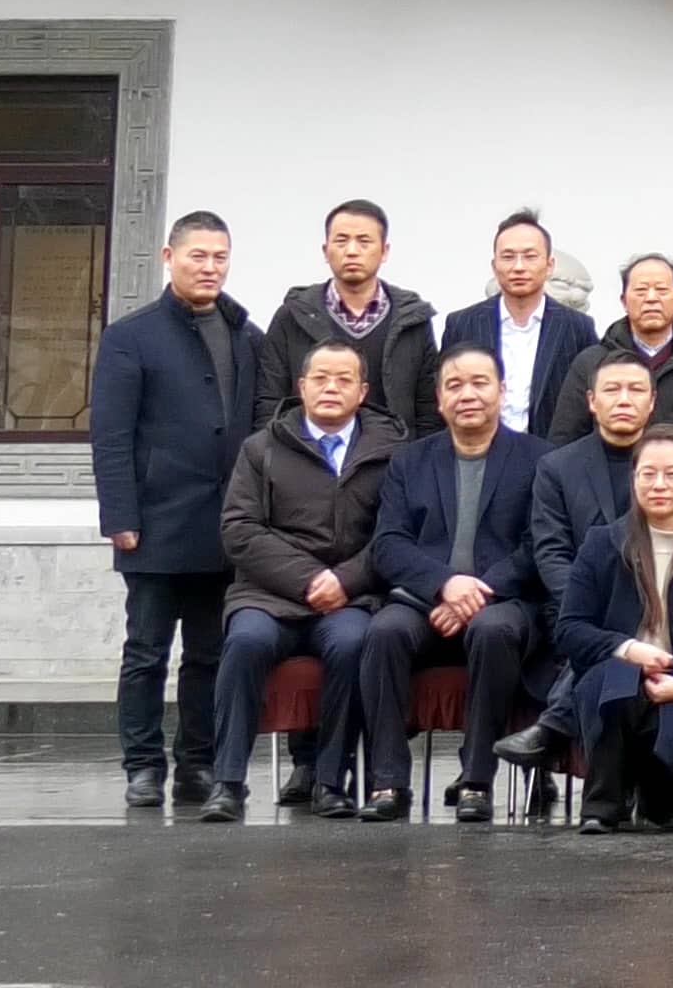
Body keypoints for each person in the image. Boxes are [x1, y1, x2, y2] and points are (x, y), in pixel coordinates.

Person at [92, 208, 262, 811]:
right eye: (198, 256)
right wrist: (121, 516)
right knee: (146, 652)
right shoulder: (131, 337)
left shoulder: (246, 334)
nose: (209, 267)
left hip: (225, 527)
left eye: (220, 257)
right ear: (169, 258)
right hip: (156, 523)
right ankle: (142, 765)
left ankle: (198, 762)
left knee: (210, 654)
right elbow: (111, 436)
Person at [198, 343, 397, 824]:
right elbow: (239, 529)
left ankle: (330, 780)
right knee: (245, 642)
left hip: (350, 597)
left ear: (363, 392)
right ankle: (227, 782)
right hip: (270, 595)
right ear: (301, 387)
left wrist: (345, 579)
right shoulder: (262, 448)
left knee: (352, 645)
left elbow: (396, 535)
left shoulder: (391, 453)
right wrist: (309, 579)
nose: (331, 388)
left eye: (344, 380)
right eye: (321, 378)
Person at [358, 344, 545, 823]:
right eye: (454, 385)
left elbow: (538, 546)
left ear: (502, 391)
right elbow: (388, 544)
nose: (468, 394)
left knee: (492, 630)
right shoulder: (410, 462)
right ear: (439, 399)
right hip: (426, 601)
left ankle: (476, 780)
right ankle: (387, 781)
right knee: (383, 632)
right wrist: (445, 585)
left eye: (480, 383)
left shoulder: (538, 459)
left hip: (503, 602)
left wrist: (476, 593)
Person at [557, 423, 673, 834]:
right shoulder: (602, 543)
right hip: (612, 675)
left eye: (671, 474)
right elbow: (570, 628)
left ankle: (655, 790)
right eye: (648, 474)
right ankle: (601, 808)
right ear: (634, 479)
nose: (659, 484)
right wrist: (628, 649)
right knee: (618, 690)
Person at [497, 352, 654, 780]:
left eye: (636, 390)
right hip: (576, 607)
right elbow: (551, 551)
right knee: (601, 638)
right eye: (612, 390)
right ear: (591, 401)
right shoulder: (557, 467)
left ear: (652, 401)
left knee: (609, 639)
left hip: (660, 605)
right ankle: (609, 782)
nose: (624, 399)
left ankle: (552, 728)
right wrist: (587, 605)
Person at [255, 199, 439, 437]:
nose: (352, 251)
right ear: (325, 251)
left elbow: (428, 409)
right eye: (341, 241)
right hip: (307, 455)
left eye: (364, 241)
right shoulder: (293, 316)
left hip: (393, 454)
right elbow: (269, 401)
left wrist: (416, 457)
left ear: (384, 251)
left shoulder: (412, 320)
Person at [438, 212, 597, 440]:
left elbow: (587, 401)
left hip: (553, 452)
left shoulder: (577, 327)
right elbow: (445, 393)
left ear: (549, 265)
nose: (519, 267)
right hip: (480, 450)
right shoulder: (462, 324)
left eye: (530, 256)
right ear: (494, 266)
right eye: (508, 257)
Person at [548, 255, 673, 442]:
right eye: (641, 290)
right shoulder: (591, 363)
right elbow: (564, 439)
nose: (651, 298)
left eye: (662, 290)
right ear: (624, 301)